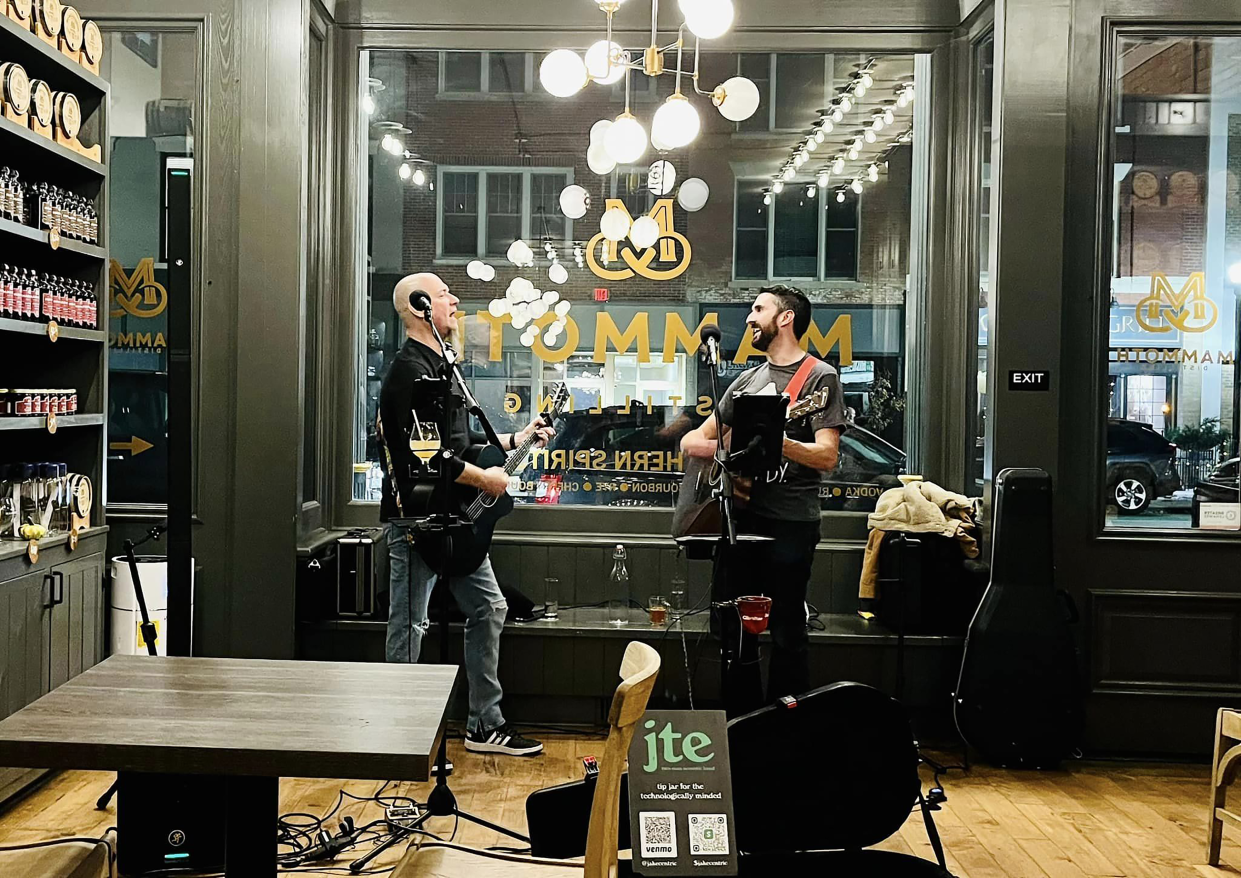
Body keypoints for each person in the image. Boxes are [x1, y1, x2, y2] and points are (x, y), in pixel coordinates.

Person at [378, 272, 552, 756]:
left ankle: (484, 725)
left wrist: (516, 441)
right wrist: (488, 480)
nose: (454, 300)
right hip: (418, 523)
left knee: (490, 608)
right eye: (442, 295)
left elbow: (459, 445)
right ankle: (399, 732)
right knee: (409, 625)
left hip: (454, 521)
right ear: (418, 308)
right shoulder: (409, 372)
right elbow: (426, 459)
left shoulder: (442, 368)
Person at [679, 285, 847, 717]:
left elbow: (827, 456)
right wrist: (716, 452)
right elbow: (696, 439)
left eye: (758, 309)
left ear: (785, 318)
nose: (750, 318)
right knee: (735, 632)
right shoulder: (747, 380)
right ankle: (740, 726)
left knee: (788, 630)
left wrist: (779, 440)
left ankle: (787, 732)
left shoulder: (818, 377)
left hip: (791, 521)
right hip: (740, 519)